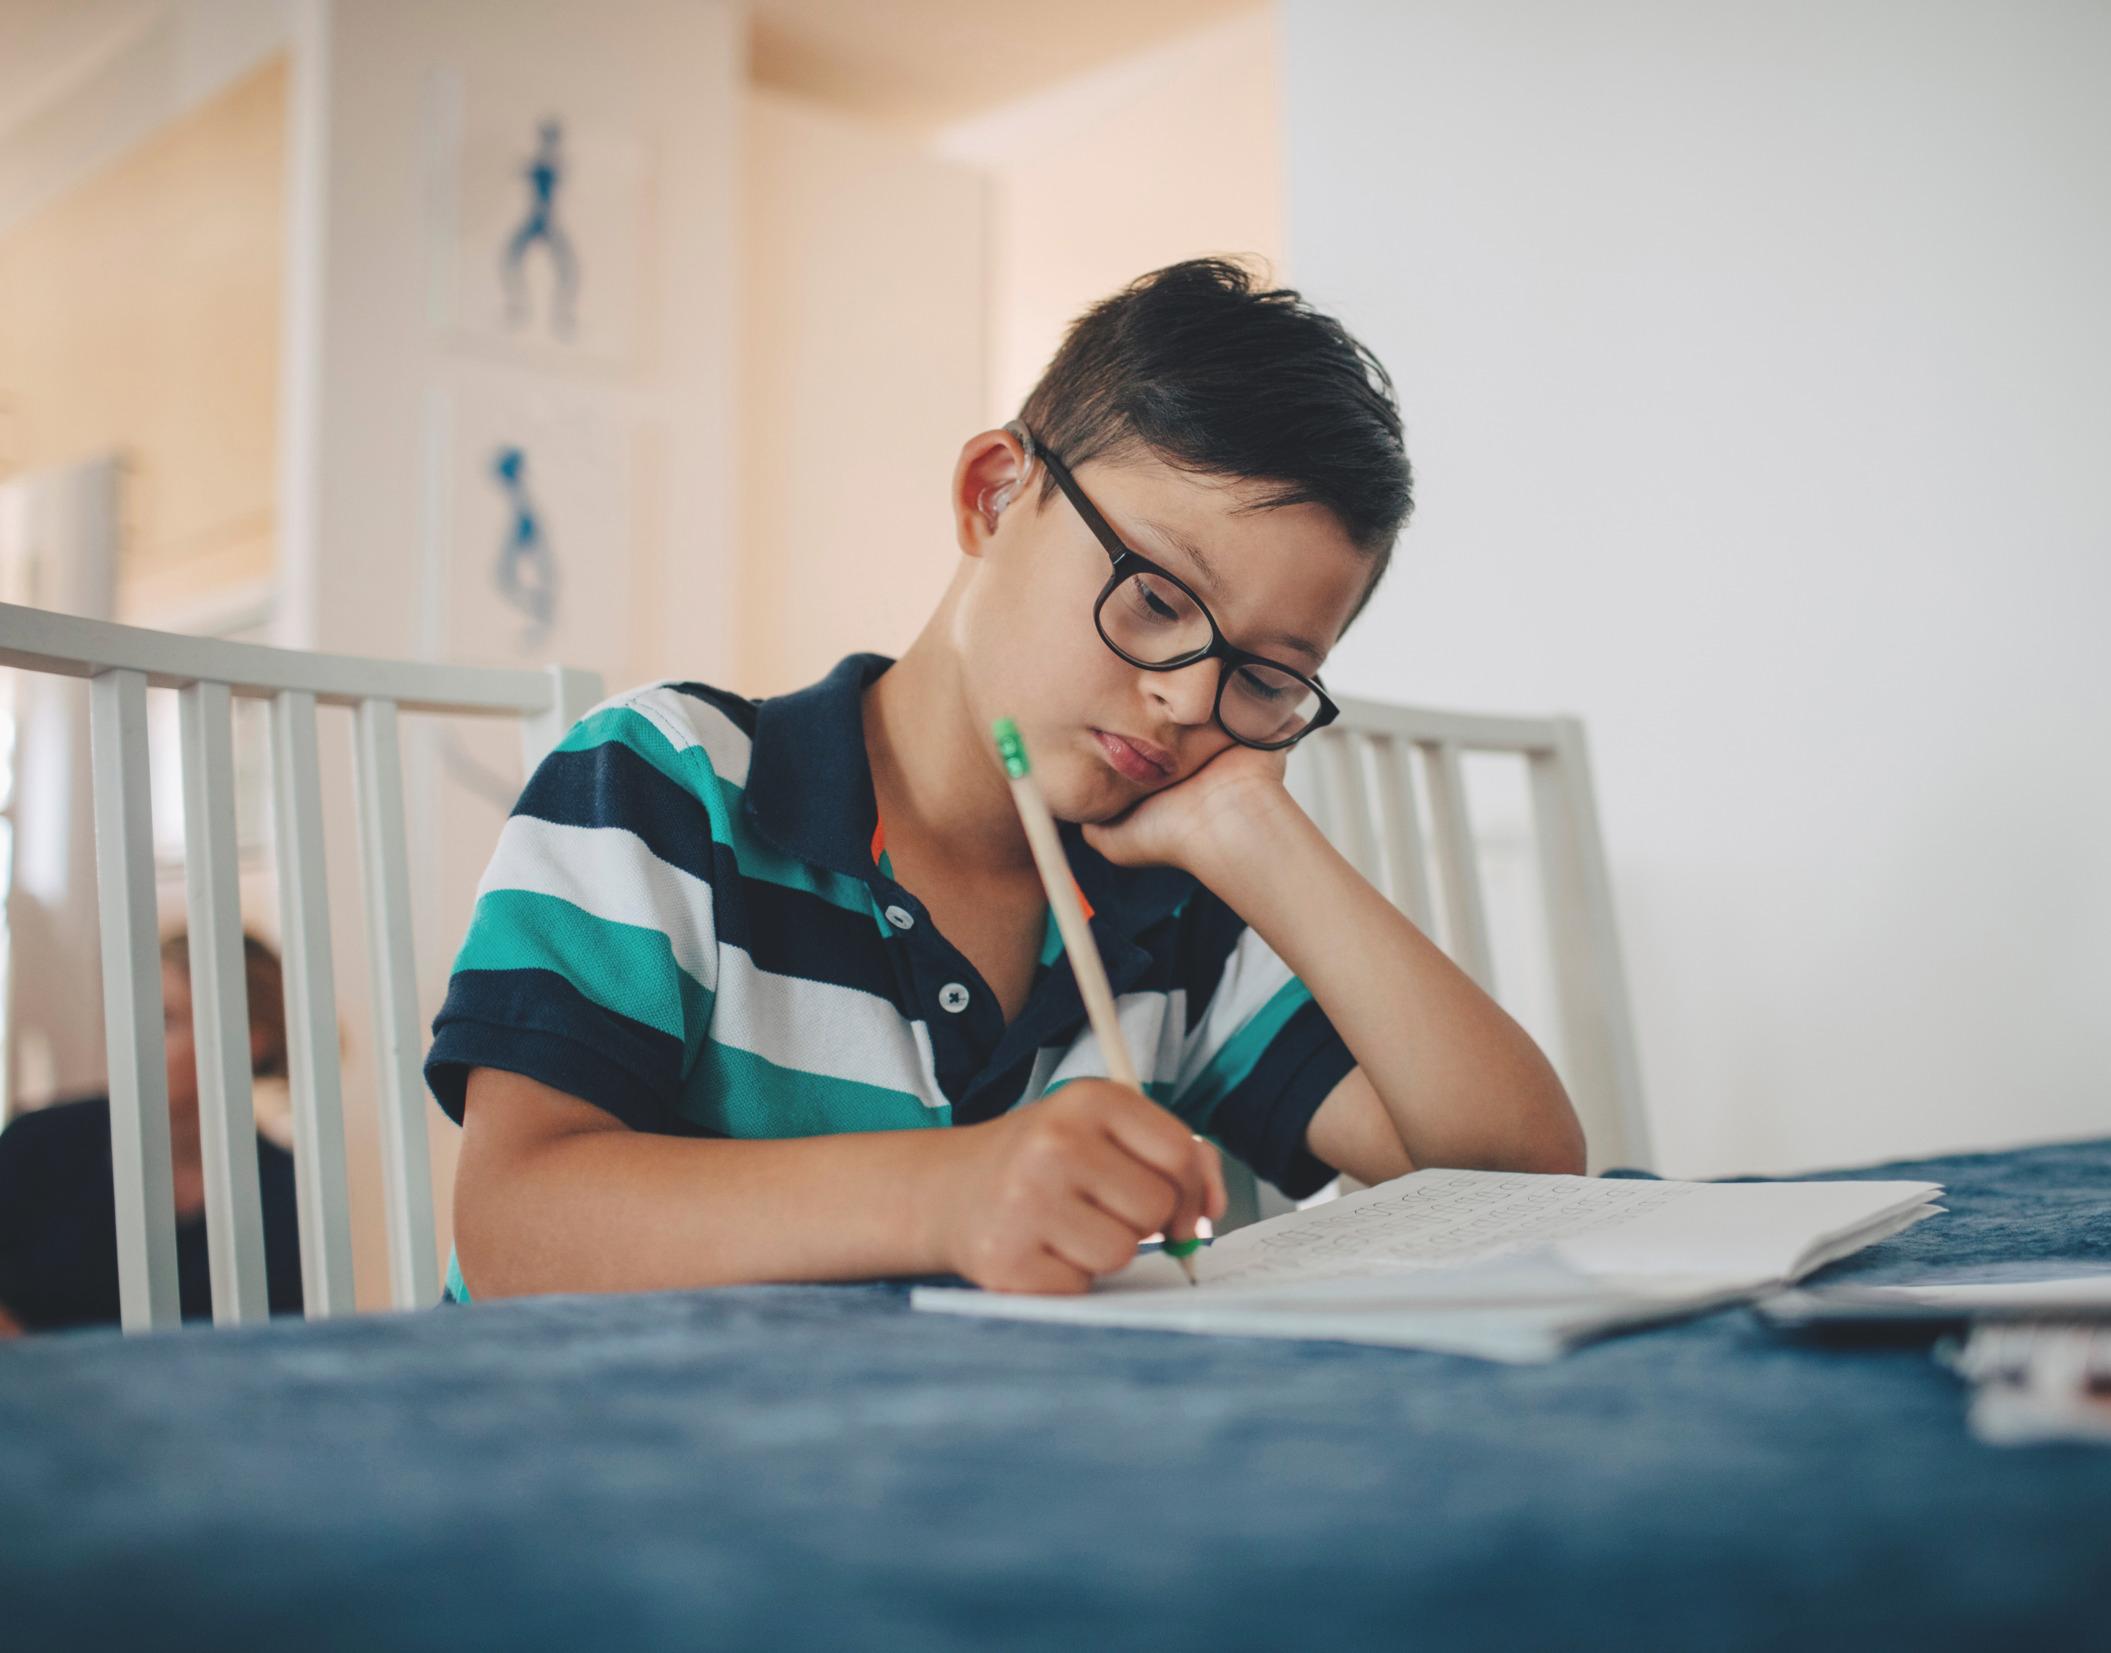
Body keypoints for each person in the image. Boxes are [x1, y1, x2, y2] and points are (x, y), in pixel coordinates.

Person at [428, 258, 1586, 1303]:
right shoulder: (665, 785)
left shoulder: (1161, 910)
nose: (1189, 699)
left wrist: (1251, 825)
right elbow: (514, 1229)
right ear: (992, 494)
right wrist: (946, 1193)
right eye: (1156, 598)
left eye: (1264, 675)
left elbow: (1513, 1175)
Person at [0, 932, 305, 1333]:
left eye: (165, 1019)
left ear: (246, 1042)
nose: (132, 1040)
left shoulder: (287, 1196)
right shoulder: (35, 1146)